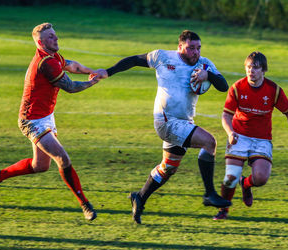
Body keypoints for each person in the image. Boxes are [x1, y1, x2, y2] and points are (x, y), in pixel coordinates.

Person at [94, 30, 232, 224]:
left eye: (198, 48)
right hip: (166, 121)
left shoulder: (205, 64)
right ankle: (209, 194)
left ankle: (139, 197)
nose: (196, 52)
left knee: (168, 168)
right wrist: (107, 72)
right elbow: (134, 60)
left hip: (184, 122)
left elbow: (223, 86)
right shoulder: (162, 56)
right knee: (209, 142)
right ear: (180, 47)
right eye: (191, 48)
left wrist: (207, 74)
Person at [0, 23, 100, 221]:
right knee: (63, 159)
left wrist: (91, 71)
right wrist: (91, 82)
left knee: (40, 166)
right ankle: (85, 204)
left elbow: (72, 65)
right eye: (51, 37)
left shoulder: (53, 56)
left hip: (46, 116)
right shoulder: (45, 63)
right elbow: (70, 87)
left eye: (56, 35)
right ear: (42, 42)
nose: (56, 39)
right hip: (32, 121)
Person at [213, 51, 288, 220]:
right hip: (239, 136)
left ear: (263, 70)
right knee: (231, 176)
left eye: (256, 68)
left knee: (261, 178)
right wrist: (230, 133)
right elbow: (226, 116)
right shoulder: (237, 88)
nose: (251, 71)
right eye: (248, 67)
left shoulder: (273, 90)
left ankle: (246, 184)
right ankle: (223, 209)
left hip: (262, 139)